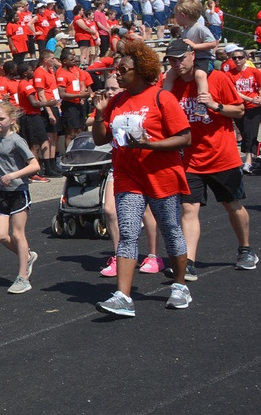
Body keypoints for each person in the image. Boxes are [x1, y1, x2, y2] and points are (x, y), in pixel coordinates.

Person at [92, 40, 192, 317]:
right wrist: (101, 115)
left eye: (124, 69)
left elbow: (185, 136)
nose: (118, 73)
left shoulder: (162, 98)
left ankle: (180, 285)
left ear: (141, 70)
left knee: (170, 229)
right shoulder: (116, 101)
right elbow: (101, 139)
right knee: (127, 233)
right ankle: (123, 296)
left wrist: (150, 146)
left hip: (161, 175)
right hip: (128, 176)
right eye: (117, 69)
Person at [165, 40, 256, 275]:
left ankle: (245, 249)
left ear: (192, 56)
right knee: (189, 209)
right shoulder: (172, 84)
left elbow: (239, 110)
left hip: (221, 156)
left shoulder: (217, 79)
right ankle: (189, 263)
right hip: (190, 160)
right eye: (172, 61)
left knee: (232, 205)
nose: (177, 64)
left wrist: (215, 105)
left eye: (181, 59)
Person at [0, 101, 41, 294]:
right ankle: (27, 256)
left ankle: (23, 277)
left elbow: (34, 165)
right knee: (0, 235)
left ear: (12, 120)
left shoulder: (17, 140)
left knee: (18, 234)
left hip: (18, 191)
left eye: (1, 119)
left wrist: (13, 175)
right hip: (1, 193)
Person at [162, 0, 215, 109]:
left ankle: (202, 103)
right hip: (189, 59)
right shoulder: (185, 29)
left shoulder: (200, 28)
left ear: (183, 15)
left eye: (176, 15)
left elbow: (213, 43)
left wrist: (195, 46)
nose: (175, 18)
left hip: (203, 58)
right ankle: (162, 99)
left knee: (199, 75)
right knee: (169, 74)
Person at [227, 48, 261, 173]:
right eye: (234, 58)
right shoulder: (229, 74)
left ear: (245, 58)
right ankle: (258, 155)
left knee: (249, 133)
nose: (237, 60)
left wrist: (258, 98)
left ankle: (248, 162)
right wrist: (250, 99)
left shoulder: (254, 72)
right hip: (239, 106)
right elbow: (234, 92)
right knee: (246, 134)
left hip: (254, 108)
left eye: (240, 57)